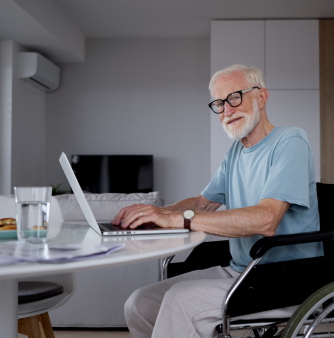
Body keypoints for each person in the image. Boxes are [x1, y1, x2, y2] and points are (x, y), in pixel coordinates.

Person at [112, 64, 322, 338]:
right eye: (219, 104)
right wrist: (154, 213)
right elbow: (203, 203)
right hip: (241, 272)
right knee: (140, 304)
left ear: (261, 97)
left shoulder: (290, 141)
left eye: (235, 98)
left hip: (284, 278)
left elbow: (267, 220)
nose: (227, 110)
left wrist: (179, 219)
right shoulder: (236, 151)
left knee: (180, 302)